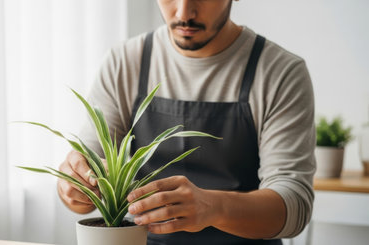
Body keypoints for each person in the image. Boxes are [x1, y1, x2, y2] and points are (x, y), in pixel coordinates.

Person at [57, 0, 316, 244]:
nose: (183, 13)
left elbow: (293, 204)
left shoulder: (280, 72)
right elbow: (86, 173)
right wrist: (73, 186)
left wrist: (214, 207)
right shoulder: (124, 63)